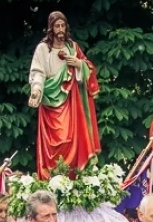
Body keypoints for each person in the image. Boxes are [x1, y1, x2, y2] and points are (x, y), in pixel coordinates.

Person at [28, 11, 101, 178]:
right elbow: (38, 72)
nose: (60, 29)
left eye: (62, 25)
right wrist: (37, 89)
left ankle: (72, 176)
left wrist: (78, 64)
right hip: (49, 103)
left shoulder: (72, 47)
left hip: (70, 102)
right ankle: (51, 178)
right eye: (56, 26)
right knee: (54, 143)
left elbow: (88, 67)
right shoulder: (43, 49)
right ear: (51, 28)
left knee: (69, 138)